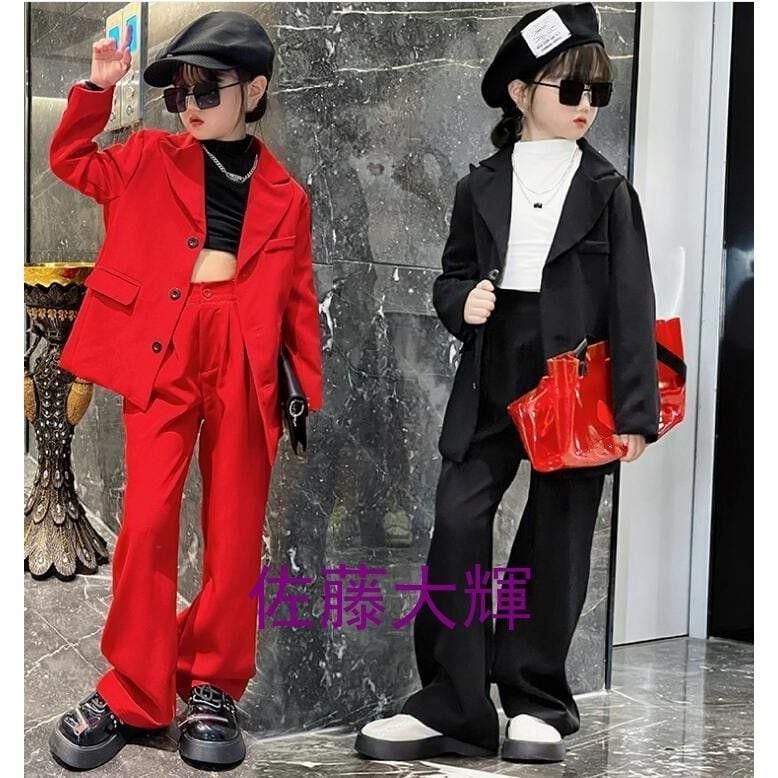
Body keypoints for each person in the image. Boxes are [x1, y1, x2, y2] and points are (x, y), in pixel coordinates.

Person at [355, 2, 659, 765]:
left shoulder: (609, 190)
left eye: (598, 92)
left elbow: (632, 303)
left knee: (556, 538)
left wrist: (634, 411)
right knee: (458, 523)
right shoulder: (479, 186)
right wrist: (463, 301)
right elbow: (450, 277)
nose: (586, 106)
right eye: (571, 89)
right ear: (521, 93)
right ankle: (452, 704)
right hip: (493, 368)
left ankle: (536, 700)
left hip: (575, 381)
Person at [46, 10, 322, 771]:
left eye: (206, 90)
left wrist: (301, 392)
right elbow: (71, 161)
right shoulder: (145, 156)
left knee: (235, 529)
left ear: (254, 90)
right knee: (145, 520)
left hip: (245, 354)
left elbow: (298, 298)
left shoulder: (287, 196)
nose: (189, 106)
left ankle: (213, 683)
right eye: (177, 93)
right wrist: (96, 91)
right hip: (162, 345)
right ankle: (135, 687)